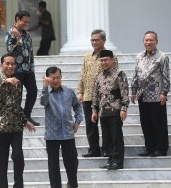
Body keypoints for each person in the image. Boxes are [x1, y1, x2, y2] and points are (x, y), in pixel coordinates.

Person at [0, 54, 36, 188]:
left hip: (16, 126)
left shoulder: (18, 82)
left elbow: (16, 104)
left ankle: (18, 185)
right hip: (1, 127)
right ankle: (3, 185)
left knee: (18, 156)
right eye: (7, 63)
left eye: (12, 64)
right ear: (1, 65)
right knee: (2, 160)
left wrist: (25, 120)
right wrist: (6, 81)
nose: (10, 66)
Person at [77, 29, 118, 157]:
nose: (94, 42)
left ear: (104, 40)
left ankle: (108, 150)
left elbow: (114, 76)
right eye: (92, 40)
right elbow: (82, 75)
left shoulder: (110, 56)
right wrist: (80, 92)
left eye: (97, 40)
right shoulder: (87, 57)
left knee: (107, 126)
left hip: (105, 97)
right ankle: (93, 150)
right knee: (90, 125)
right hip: (88, 96)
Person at [40, 66, 82, 188]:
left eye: (58, 78)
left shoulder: (69, 91)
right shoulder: (46, 93)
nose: (56, 80)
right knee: (53, 166)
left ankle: (72, 184)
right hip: (52, 135)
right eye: (53, 78)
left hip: (68, 133)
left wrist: (78, 121)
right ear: (48, 79)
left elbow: (78, 107)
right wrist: (45, 86)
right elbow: (43, 102)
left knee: (73, 162)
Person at [131, 31, 170, 157]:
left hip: (157, 95)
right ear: (143, 42)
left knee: (158, 124)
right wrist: (133, 91)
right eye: (146, 40)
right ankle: (150, 148)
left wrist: (164, 92)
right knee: (146, 123)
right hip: (142, 95)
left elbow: (166, 77)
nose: (148, 42)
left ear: (156, 42)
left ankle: (161, 149)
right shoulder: (139, 57)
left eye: (151, 40)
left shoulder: (162, 56)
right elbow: (135, 75)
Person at [91, 50, 129, 170]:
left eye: (106, 60)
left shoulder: (119, 74)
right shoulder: (99, 76)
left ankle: (118, 161)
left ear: (112, 60)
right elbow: (95, 95)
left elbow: (125, 92)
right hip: (103, 111)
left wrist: (124, 108)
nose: (104, 62)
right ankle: (110, 159)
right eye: (101, 60)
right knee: (107, 137)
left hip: (115, 110)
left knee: (116, 136)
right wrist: (94, 110)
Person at [5, 10, 39, 126]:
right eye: (24, 21)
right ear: (17, 19)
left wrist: (32, 67)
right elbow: (9, 50)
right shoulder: (10, 33)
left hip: (28, 69)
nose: (26, 24)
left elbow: (30, 52)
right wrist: (17, 38)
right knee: (17, 95)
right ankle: (18, 118)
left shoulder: (27, 34)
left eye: (27, 22)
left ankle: (26, 115)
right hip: (16, 70)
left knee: (33, 91)